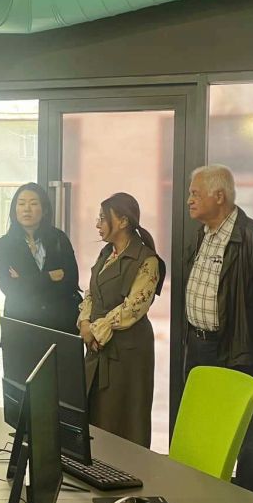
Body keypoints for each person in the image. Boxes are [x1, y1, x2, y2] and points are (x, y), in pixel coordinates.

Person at [181, 164, 253, 495]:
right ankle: (204, 494)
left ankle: (248, 501)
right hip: (199, 345)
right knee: (202, 424)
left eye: (195, 194)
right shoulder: (202, 234)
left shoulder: (251, 236)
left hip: (237, 347)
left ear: (219, 196)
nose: (189, 200)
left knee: (244, 428)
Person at [78, 192, 165, 448]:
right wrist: (85, 323)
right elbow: (91, 292)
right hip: (97, 346)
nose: (98, 224)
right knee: (96, 416)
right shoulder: (107, 252)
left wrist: (97, 330)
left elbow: (134, 307)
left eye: (103, 218)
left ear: (123, 221)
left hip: (127, 352)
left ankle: (127, 471)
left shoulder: (147, 260)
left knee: (125, 420)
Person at [0, 182, 80, 333]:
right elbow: (9, 288)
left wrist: (24, 280)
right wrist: (49, 277)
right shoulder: (3, 245)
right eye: (21, 204)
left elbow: (71, 281)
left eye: (33, 203)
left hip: (60, 324)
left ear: (44, 210)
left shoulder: (59, 239)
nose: (27, 209)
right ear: (14, 210)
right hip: (21, 326)